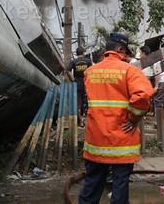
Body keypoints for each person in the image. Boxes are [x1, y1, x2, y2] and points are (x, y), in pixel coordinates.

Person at [79, 32, 154, 204]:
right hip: (121, 139)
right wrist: (133, 118)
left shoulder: (90, 72)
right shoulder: (130, 71)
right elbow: (143, 95)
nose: (126, 57)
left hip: (96, 139)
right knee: (119, 188)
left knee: (92, 186)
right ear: (120, 49)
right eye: (125, 53)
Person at [66, 46, 93, 127]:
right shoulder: (88, 61)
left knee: (78, 102)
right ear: (83, 53)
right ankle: (88, 121)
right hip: (87, 83)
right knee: (88, 101)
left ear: (76, 53)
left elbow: (67, 70)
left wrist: (72, 79)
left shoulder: (73, 61)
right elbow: (91, 71)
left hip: (77, 84)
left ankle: (81, 122)